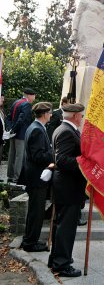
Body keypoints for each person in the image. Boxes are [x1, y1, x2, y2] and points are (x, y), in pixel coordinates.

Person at [48, 103, 86, 277]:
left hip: (67, 186)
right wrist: (83, 163)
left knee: (60, 225)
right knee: (66, 228)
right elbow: (62, 160)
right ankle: (62, 265)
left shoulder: (63, 129)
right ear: (76, 116)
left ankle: (56, 259)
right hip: (68, 187)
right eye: (81, 116)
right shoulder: (66, 132)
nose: (82, 119)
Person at [19, 102, 54, 252]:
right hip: (36, 178)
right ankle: (30, 243)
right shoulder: (37, 130)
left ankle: (30, 240)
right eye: (50, 113)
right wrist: (53, 154)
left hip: (35, 177)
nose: (51, 115)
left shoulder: (36, 127)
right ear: (45, 114)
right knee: (36, 212)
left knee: (36, 211)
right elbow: (37, 155)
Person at [5, 88, 36, 183]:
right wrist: (14, 130)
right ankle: (16, 178)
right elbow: (21, 120)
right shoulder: (26, 104)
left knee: (12, 155)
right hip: (20, 134)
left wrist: (11, 129)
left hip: (13, 133)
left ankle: (10, 176)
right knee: (19, 156)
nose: (34, 98)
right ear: (29, 95)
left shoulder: (16, 102)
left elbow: (8, 118)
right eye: (34, 95)